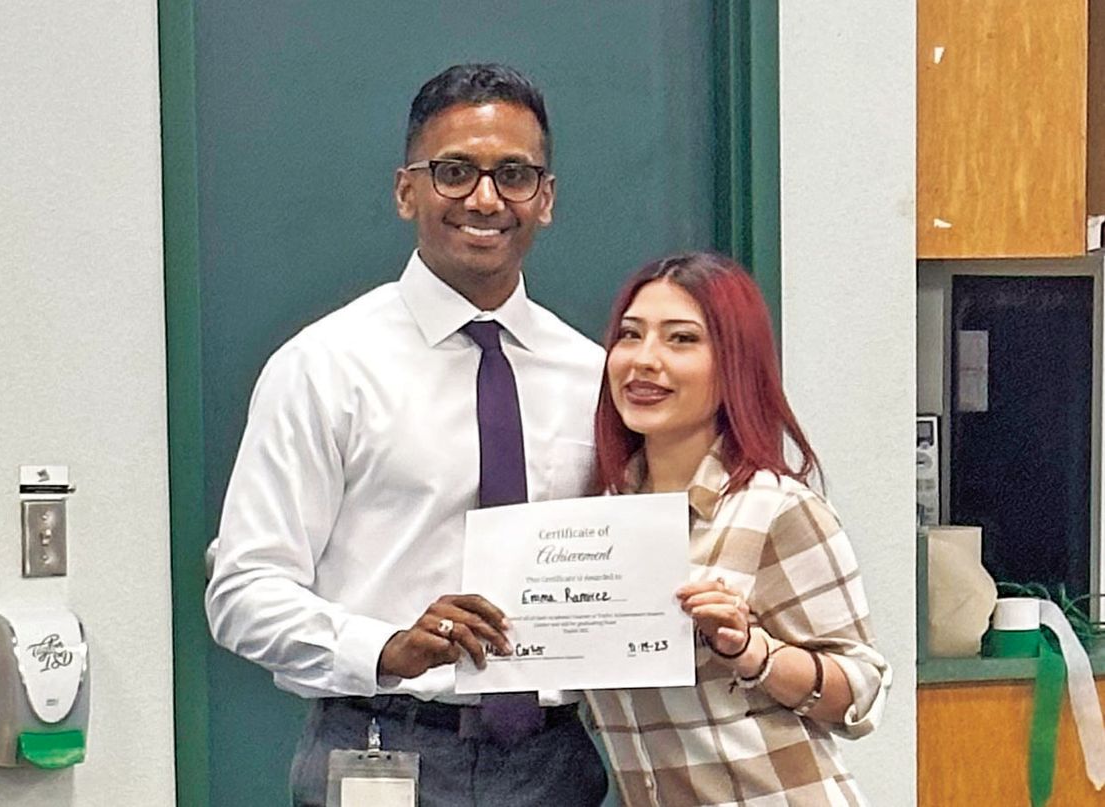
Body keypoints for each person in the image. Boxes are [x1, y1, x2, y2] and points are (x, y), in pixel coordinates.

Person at [205, 63, 608, 807]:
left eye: (513, 174)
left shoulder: (595, 376)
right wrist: (385, 646)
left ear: (545, 199)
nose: (485, 198)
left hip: (555, 763)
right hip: (381, 748)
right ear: (406, 190)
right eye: (454, 171)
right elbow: (243, 592)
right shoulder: (324, 367)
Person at [587, 252, 891, 806]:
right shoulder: (599, 522)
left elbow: (864, 691)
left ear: (734, 364)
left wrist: (754, 651)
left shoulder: (776, 508)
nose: (644, 360)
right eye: (630, 336)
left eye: (681, 340)